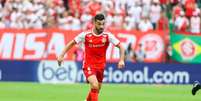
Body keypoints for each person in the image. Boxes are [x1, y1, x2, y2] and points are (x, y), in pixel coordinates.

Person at [57, 13, 125, 101]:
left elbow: (121, 46)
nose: (101, 26)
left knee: (97, 89)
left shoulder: (107, 36)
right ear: (94, 23)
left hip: (101, 66)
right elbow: (72, 43)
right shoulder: (85, 35)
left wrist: (121, 60)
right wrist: (61, 55)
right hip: (88, 65)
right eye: (99, 24)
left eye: (103, 24)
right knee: (95, 85)